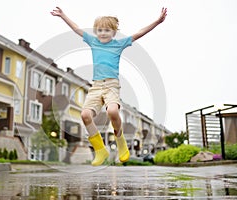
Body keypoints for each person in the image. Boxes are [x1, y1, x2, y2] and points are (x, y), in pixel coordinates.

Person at [51, 7, 167, 166]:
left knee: (112, 111)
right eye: (99, 30)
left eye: (107, 30)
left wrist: (157, 21)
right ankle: (100, 149)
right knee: (85, 115)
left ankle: (120, 142)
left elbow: (139, 32)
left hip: (112, 85)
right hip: (96, 86)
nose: (103, 33)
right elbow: (76, 28)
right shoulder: (93, 41)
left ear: (113, 32)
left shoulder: (119, 44)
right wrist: (63, 15)